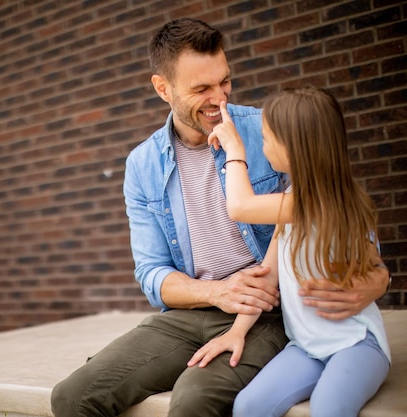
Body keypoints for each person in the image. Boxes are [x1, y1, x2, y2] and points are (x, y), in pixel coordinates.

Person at [50, 18, 390, 417]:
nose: (219, 98)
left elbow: (342, 217)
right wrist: (215, 292)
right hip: (191, 311)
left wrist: (374, 280)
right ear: (163, 88)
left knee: (194, 401)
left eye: (224, 81)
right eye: (201, 89)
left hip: (267, 311)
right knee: (72, 397)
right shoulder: (143, 164)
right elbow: (151, 272)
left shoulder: (269, 130)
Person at [189, 87, 391, 417]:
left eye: (267, 138)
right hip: (306, 347)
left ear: (294, 147)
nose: (263, 145)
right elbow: (267, 278)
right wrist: (236, 332)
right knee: (248, 406)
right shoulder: (291, 200)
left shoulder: (321, 201)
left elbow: (239, 207)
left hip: (355, 344)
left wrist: (235, 150)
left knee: (328, 408)